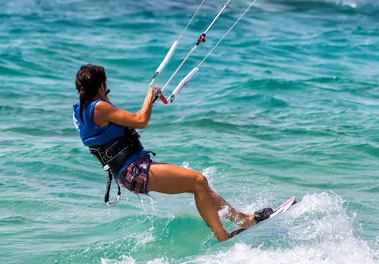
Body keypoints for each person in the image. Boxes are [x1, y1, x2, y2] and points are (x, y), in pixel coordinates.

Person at [72, 64, 273, 242]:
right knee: (198, 181)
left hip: (129, 171)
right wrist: (149, 96)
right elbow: (140, 120)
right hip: (134, 170)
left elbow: (121, 124)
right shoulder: (98, 108)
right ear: (100, 85)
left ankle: (244, 220)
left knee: (200, 187)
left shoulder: (82, 112)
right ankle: (223, 236)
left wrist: (147, 103)